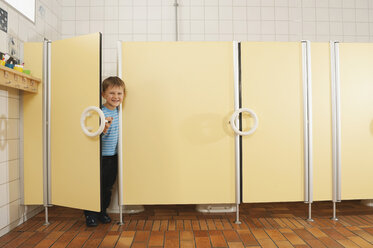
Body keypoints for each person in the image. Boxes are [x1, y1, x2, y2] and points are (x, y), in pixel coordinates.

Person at [84, 76, 125, 227]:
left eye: (119, 93)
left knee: (108, 187)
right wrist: (103, 129)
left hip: (112, 157)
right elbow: (93, 134)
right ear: (103, 95)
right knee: (94, 186)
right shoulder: (99, 112)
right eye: (112, 93)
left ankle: (102, 211)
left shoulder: (121, 112)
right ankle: (90, 214)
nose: (116, 97)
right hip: (98, 157)